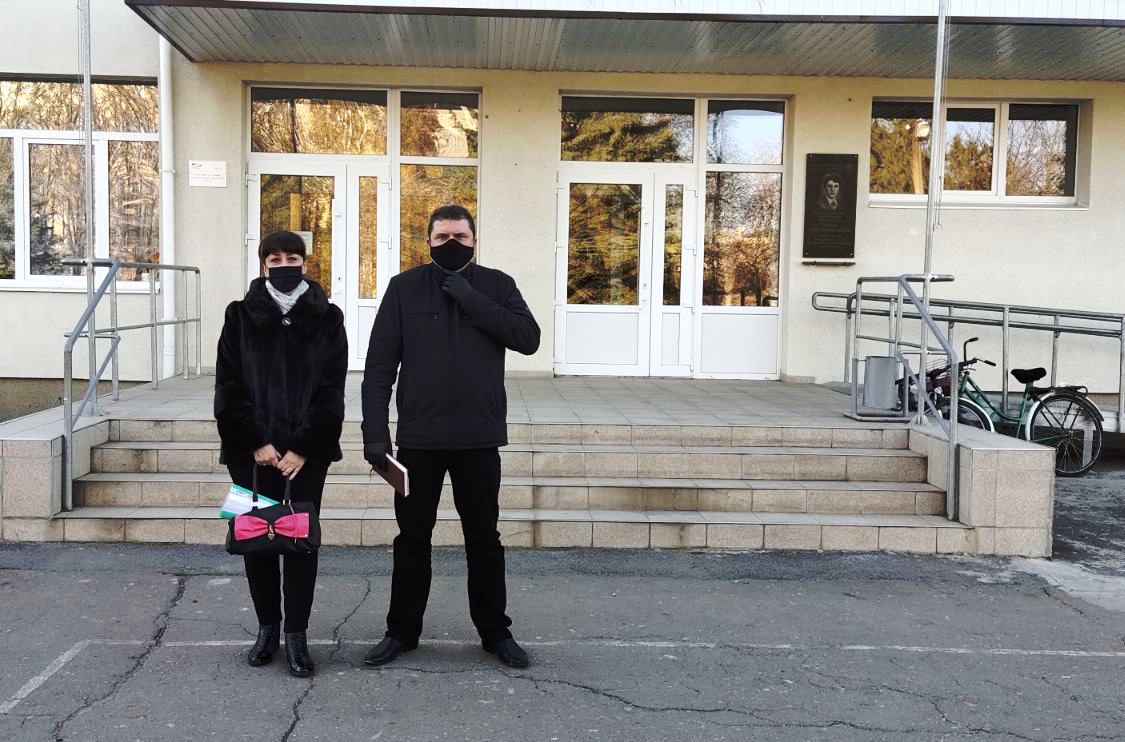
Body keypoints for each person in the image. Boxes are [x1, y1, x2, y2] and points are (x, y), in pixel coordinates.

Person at [361, 204, 540, 669]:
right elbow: (379, 367)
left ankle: (495, 633)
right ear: (428, 242)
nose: (451, 244)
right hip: (418, 441)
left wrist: (470, 297)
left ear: (474, 240)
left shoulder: (497, 285)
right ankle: (401, 632)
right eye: (442, 237)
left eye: (460, 236)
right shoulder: (403, 288)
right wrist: (375, 434)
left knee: (484, 539)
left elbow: (528, 338)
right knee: (411, 539)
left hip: (479, 439)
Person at [214, 230, 348, 678]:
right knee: (255, 540)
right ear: (263, 265)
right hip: (248, 455)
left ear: (305, 264)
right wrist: (256, 441)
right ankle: (267, 629)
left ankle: (297, 635)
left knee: (300, 542)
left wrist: (303, 447)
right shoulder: (238, 315)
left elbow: (331, 390)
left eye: (292, 258)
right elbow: (228, 386)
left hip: (306, 458)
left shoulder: (329, 317)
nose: (284, 265)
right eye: (275, 259)